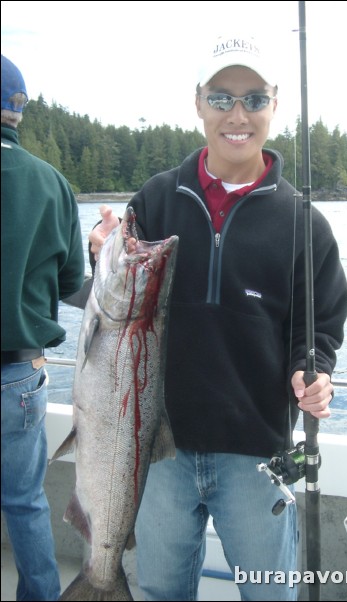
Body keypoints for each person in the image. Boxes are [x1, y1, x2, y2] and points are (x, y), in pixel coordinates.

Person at [89, 34, 347, 601]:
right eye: (222, 97)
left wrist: (315, 369)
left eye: (254, 99)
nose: (238, 114)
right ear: (198, 103)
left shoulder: (305, 224)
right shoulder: (157, 199)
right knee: (161, 591)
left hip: (257, 453)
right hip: (157, 450)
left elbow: (320, 325)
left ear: (275, 106)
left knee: (269, 594)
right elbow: (111, 304)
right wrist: (99, 254)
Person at [1, 55, 85, 601]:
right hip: (20, 378)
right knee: (26, 502)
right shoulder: (53, 184)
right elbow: (72, 282)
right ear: (19, 110)